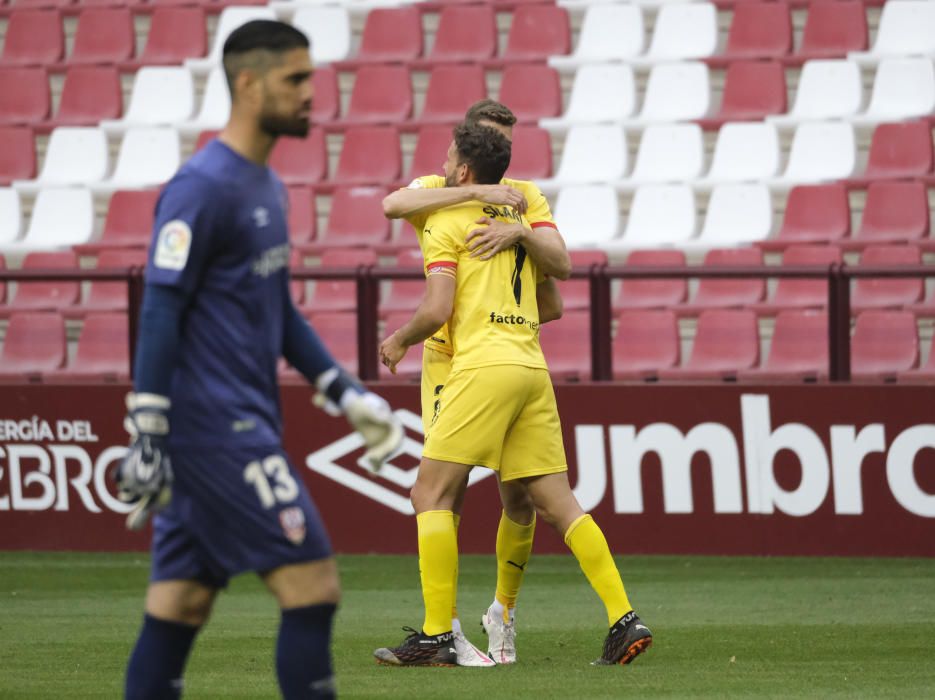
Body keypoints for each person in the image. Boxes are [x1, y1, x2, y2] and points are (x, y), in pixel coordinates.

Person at [115, 20, 403, 699]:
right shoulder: (201, 187)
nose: (311, 93)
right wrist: (148, 428)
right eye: (294, 79)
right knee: (313, 585)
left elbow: (277, 312)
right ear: (248, 83)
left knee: (179, 605)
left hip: (237, 424)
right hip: (216, 432)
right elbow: (160, 308)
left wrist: (344, 391)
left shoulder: (265, 187)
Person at [374, 122, 652, 667]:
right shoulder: (519, 213)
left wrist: (399, 339)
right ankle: (624, 619)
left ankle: (436, 636)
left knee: (430, 494)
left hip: (481, 366)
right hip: (530, 365)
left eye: (451, 155)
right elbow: (554, 297)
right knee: (557, 502)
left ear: (462, 169)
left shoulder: (442, 216)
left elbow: (436, 308)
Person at [381, 100, 571, 665]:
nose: (498, 151)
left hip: (490, 359)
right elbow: (395, 203)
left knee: (507, 496)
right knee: (447, 492)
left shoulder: (523, 197)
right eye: (486, 137)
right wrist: (470, 194)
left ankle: (487, 618)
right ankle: (447, 627)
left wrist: (517, 236)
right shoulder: (445, 188)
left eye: (502, 141)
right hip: (448, 363)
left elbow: (555, 283)